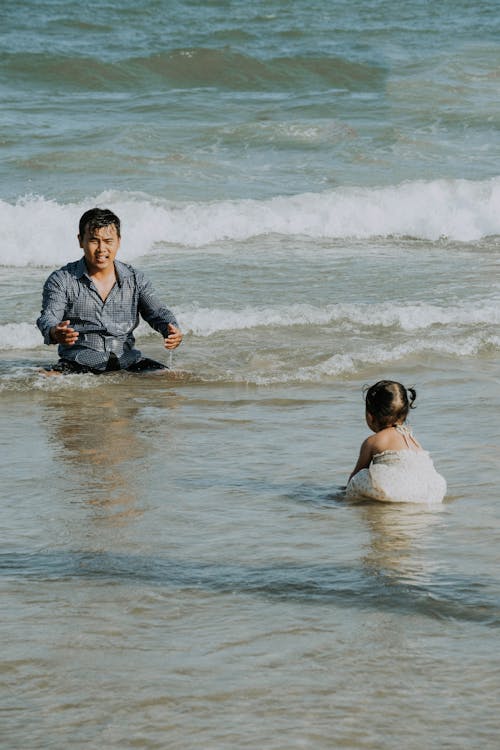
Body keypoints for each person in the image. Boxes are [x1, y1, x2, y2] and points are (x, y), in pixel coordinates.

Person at [37, 207, 183, 374]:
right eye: (94, 240)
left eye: (108, 241)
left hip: (128, 362)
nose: (101, 249)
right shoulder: (61, 280)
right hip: (78, 365)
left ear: (118, 241)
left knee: (175, 379)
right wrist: (55, 332)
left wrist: (171, 330)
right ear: (80, 241)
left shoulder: (135, 279)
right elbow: (48, 316)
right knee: (43, 379)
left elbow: (158, 312)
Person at [345, 380, 446, 503]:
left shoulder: (372, 441)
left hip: (395, 489)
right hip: (428, 490)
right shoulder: (412, 439)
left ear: (370, 416)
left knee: (359, 479)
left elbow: (353, 479)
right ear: (405, 414)